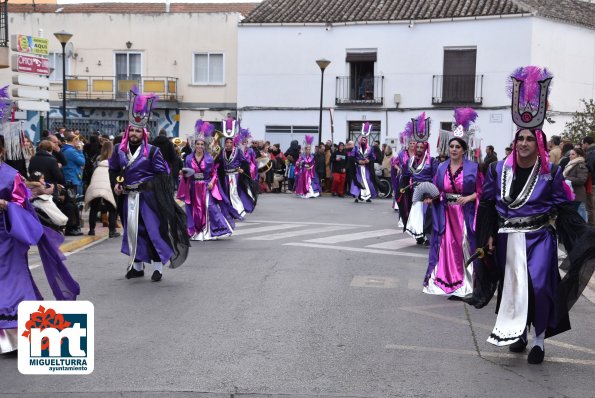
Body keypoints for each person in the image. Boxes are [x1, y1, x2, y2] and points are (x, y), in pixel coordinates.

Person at [470, 66, 595, 365]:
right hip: (505, 239)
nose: (524, 143)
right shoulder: (499, 169)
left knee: (539, 287)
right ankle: (519, 334)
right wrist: (487, 236)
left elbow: (565, 208)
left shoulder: (549, 173)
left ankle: (538, 339)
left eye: (529, 139)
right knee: (513, 288)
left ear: (537, 142)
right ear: (515, 143)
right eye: (519, 139)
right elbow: (487, 204)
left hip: (539, 238)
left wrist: (585, 237)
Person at [0, 130, 80, 354]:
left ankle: (17, 339)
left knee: (14, 283)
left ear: (2, 151)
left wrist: (6, 205)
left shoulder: (10, 175)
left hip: (7, 237)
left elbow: (22, 205)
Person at [109, 88, 189, 282]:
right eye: (132, 130)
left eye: (138, 130)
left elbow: (164, 173)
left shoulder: (152, 151)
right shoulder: (119, 151)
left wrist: (150, 187)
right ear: (128, 132)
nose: (135, 133)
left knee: (154, 231)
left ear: (143, 132)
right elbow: (113, 169)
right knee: (133, 232)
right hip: (129, 198)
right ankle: (136, 266)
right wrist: (116, 185)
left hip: (149, 199)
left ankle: (157, 267)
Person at [424, 108, 482, 297]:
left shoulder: (473, 168)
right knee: (446, 246)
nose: (454, 150)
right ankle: (445, 281)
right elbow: (437, 189)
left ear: (464, 150)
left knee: (464, 247)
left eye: (458, 147)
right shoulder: (441, 167)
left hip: (464, 213)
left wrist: (470, 197)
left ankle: (467, 284)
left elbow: (482, 191)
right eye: (452, 146)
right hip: (446, 213)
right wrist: (432, 198)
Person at [178, 120, 235, 240]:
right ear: (194, 145)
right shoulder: (188, 158)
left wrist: (211, 182)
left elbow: (214, 173)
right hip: (193, 186)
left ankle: (213, 230)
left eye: (201, 144)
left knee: (210, 207)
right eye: (197, 144)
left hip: (205, 186)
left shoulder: (209, 159)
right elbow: (186, 171)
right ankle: (196, 232)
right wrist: (182, 173)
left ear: (204, 146)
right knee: (195, 209)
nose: (199, 146)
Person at [405, 113, 438, 245]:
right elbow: (407, 175)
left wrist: (433, 194)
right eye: (417, 147)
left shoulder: (433, 161)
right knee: (417, 213)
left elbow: (435, 178)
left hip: (427, 190)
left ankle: (428, 236)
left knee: (427, 214)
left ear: (425, 148)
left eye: (421, 147)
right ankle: (419, 235)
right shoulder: (411, 161)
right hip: (415, 190)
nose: (418, 149)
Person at [218, 118, 256, 217]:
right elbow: (219, 163)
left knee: (234, 193)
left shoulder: (238, 151)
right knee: (227, 193)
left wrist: (242, 168)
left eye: (230, 143)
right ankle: (230, 211)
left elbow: (245, 161)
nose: (229, 144)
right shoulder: (222, 151)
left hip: (235, 175)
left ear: (233, 143)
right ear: (225, 143)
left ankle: (238, 211)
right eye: (227, 142)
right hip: (226, 176)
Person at [85, 141, 120, 238]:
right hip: (108, 186)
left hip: (96, 185)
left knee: (94, 208)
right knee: (112, 209)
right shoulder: (114, 162)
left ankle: (91, 230)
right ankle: (112, 231)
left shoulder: (97, 161)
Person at [350, 123, 377, 203]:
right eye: (362, 139)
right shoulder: (355, 148)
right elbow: (351, 157)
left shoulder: (370, 149)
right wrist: (358, 161)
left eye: (365, 140)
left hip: (366, 168)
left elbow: (374, 158)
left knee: (367, 180)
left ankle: (368, 196)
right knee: (358, 181)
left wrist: (369, 161)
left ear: (366, 141)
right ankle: (357, 196)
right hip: (358, 168)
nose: (363, 141)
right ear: (360, 140)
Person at [563, 147, 589, 222]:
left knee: (581, 218)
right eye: (570, 154)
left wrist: (567, 179)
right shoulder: (571, 164)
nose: (570, 156)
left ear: (579, 156)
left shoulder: (580, 165)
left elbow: (582, 180)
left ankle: (585, 232)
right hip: (572, 194)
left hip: (578, 195)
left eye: (572, 154)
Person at [583, 136, 595, 226]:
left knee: (591, 205)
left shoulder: (590, 153)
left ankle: (591, 224)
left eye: (583, 144)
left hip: (593, 182)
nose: (583, 146)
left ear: (586, 143)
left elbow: (590, 168)